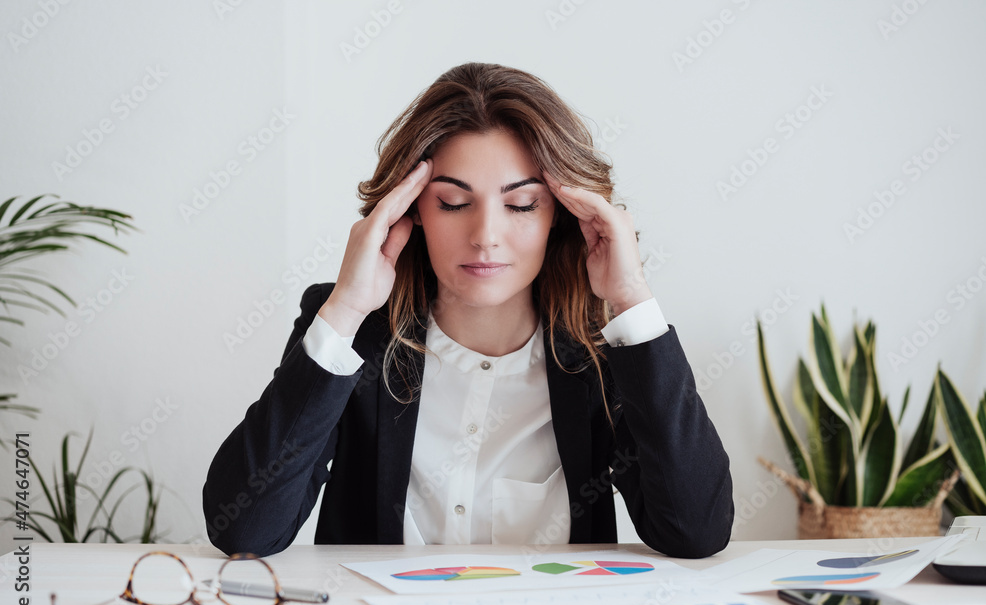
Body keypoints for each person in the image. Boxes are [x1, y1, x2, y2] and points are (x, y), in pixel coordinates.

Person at [203, 62, 734, 558]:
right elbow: (244, 531)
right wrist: (344, 307)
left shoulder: (601, 343)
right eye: (453, 203)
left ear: (562, 216)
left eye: (521, 204)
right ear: (411, 210)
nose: (485, 237)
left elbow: (695, 532)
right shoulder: (354, 329)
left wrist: (631, 298)